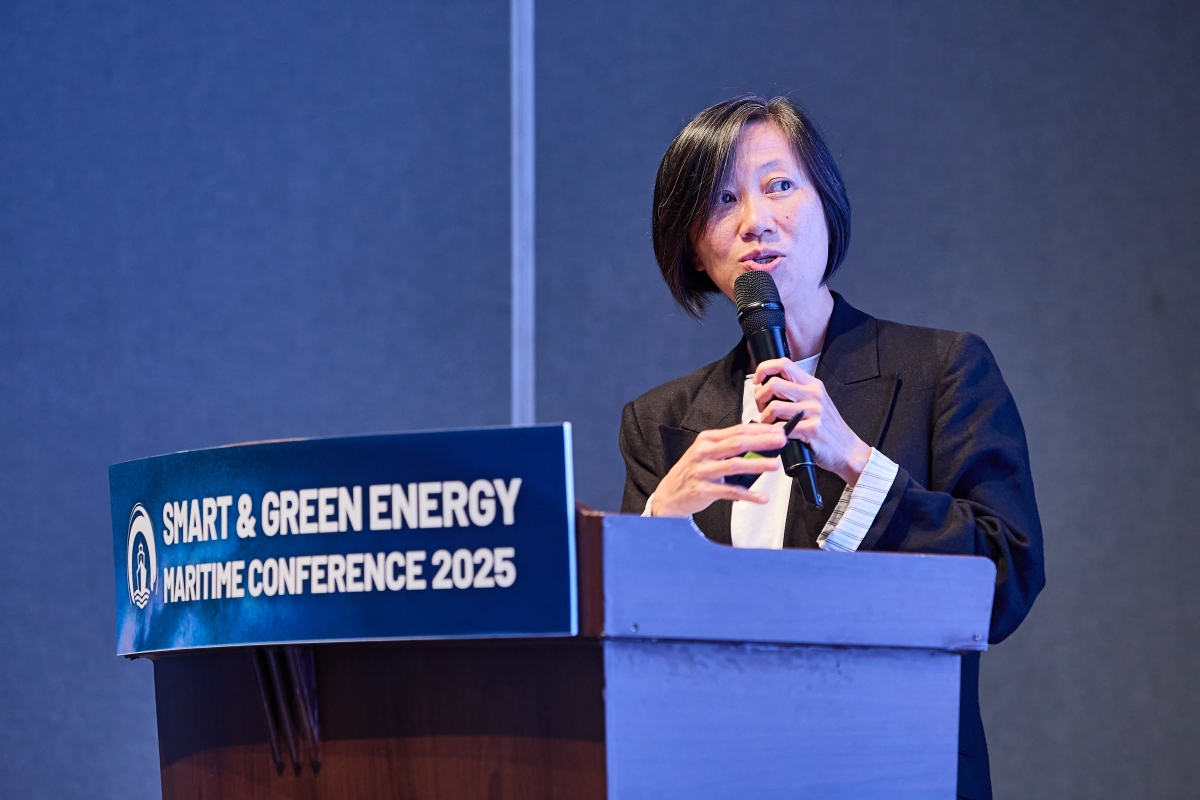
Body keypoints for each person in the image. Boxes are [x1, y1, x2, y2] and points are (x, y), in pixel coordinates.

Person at [618, 95, 1045, 800]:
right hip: (716, 775)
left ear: (827, 206)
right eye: (722, 200)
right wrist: (656, 524)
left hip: (897, 775)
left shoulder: (941, 371)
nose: (756, 221)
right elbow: (628, 649)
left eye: (780, 185)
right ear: (694, 246)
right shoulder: (662, 422)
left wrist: (855, 461)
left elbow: (1005, 582)